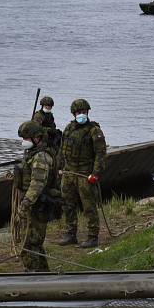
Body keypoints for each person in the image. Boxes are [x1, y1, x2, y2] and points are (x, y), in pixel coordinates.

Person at [57, 98, 107, 248]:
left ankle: (92, 237)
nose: (81, 114)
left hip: (85, 174)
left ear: (87, 112)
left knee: (89, 206)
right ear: (74, 113)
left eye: (83, 112)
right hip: (69, 173)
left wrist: (96, 173)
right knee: (67, 204)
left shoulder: (94, 131)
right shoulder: (69, 128)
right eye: (79, 112)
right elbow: (62, 149)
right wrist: (60, 167)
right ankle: (70, 233)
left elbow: (101, 154)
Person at [15, 121, 60, 272]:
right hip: (34, 205)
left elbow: (37, 184)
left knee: (28, 245)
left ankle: (33, 276)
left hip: (36, 206)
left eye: (27, 139)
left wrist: (25, 203)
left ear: (37, 138)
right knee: (34, 243)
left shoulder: (41, 157)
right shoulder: (33, 154)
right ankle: (43, 274)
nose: (24, 142)